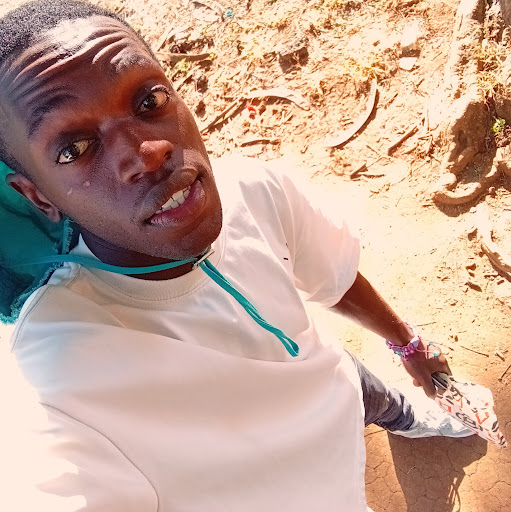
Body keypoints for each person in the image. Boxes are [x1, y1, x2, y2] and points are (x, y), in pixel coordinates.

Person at [0, 1, 472, 510]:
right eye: (74, 149)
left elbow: (333, 275)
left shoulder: (256, 190)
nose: (148, 153)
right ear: (38, 196)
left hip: (335, 379)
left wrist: (408, 346)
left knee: (361, 387)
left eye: (149, 100)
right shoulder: (59, 385)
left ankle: (405, 414)